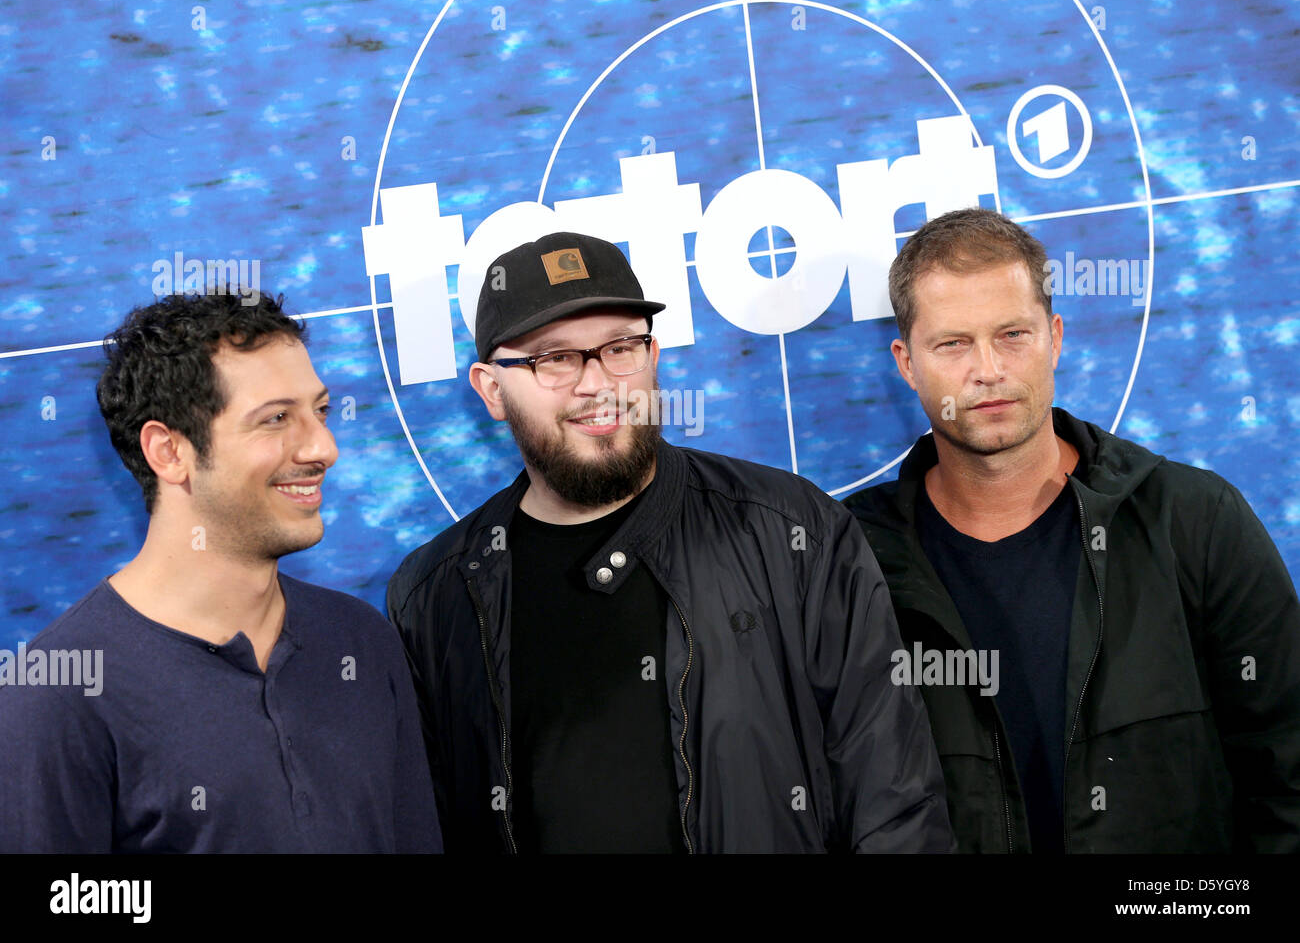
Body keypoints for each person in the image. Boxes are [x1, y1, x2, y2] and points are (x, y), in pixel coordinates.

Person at [387, 231, 952, 853]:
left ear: (653, 356)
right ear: (492, 389)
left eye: (620, 347)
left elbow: (894, 803)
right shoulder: (434, 594)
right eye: (555, 358)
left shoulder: (791, 530)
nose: (597, 383)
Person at [843, 207, 1300, 852]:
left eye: (1012, 335)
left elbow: (1286, 775)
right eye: (952, 344)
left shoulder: (1192, 521)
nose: (988, 370)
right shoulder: (851, 564)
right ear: (907, 363)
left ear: (1054, 337)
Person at [0, 290, 441, 853]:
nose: (323, 447)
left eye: (321, 412)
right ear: (168, 452)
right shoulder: (57, 695)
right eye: (276, 419)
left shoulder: (361, 641)